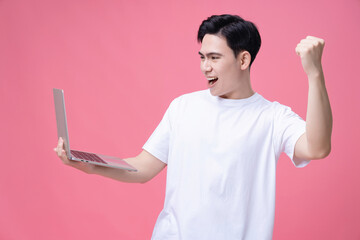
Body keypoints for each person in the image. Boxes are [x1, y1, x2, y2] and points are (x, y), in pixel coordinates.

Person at [54, 14, 332, 240]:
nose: (204, 67)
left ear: (243, 60)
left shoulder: (272, 117)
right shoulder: (182, 107)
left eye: (214, 58)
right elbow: (141, 168)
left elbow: (317, 147)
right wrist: (89, 165)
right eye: (202, 57)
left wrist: (314, 73)